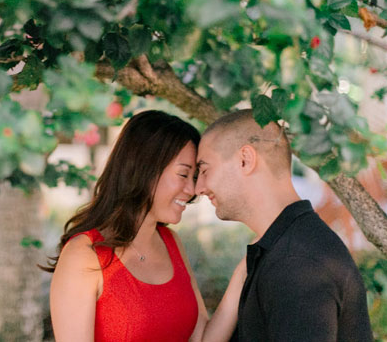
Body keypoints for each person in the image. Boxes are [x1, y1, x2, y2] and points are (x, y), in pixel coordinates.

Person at [46, 110, 246, 342]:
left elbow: (202, 339)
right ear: (144, 169)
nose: (192, 190)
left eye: (194, 178)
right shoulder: (84, 255)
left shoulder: (170, 242)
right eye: (183, 174)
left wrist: (242, 272)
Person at [195, 109, 373, 342]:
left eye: (205, 170)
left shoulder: (297, 264)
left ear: (245, 160)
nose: (198, 188)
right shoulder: (288, 246)